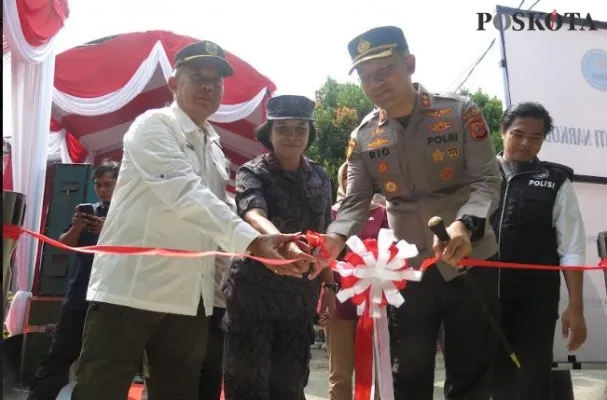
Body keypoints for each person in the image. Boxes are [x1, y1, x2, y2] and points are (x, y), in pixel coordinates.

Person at [71, 42, 315, 400]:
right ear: (173, 83)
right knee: (100, 389)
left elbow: (220, 207)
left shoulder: (212, 144)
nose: (208, 87)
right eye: (198, 78)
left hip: (189, 300)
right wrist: (252, 242)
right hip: (131, 292)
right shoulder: (153, 126)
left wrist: (273, 240)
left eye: (216, 82)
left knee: (177, 393)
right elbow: (185, 193)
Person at [318, 26, 503, 400]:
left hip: (470, 258)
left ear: (410, 63)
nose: (376, 83)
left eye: (384, 70)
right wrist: (333, 238)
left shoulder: (461, 112)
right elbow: (355, 202)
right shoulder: (365, 136)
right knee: (409, 368)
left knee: (471, 367)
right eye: (366, 77)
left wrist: (466, 225)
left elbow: (487, 180)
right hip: (407, 270)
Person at [221, 94, 335, 400]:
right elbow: (252, 212)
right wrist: (279, 241)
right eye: (283, 128)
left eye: (301, 128)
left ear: (310, 134)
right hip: (252, 295)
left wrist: (329, 287)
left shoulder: (321, 176)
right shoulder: (251, 171)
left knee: (290, 383)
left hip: (299, 297)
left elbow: (324, 234)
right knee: (247, 382)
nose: (292, 135)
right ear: (268, 133)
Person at [490, 102, 587, 400]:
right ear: (503, 131)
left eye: (536, 138)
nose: (525, 143)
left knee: (533, 381)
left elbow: (571, 247)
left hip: (535, 302)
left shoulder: (556, 180)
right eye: (518, 134)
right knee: (488, 379)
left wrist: (576, 306)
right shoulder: (478, 176)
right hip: (480, 299)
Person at [27, 160, 119, 400]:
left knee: (100, 361)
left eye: (108, 184)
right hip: (79, 294)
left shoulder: (128, 216)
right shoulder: (90, 211)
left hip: (112, 297)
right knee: (58, 355)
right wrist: (78, 226)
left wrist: (107, 229)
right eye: (98, 185)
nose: (102, 190)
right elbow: (65, 244)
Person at [324, 161, 388, 400]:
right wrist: (325, 294)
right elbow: (323, 257)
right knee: (339, 373)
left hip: (375, 302)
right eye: (348, 176)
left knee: (377, 372)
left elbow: (392, 252)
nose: (354, 181)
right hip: (340, 298)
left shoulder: (383, 213)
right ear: (341, 180)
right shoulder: (330, 213)